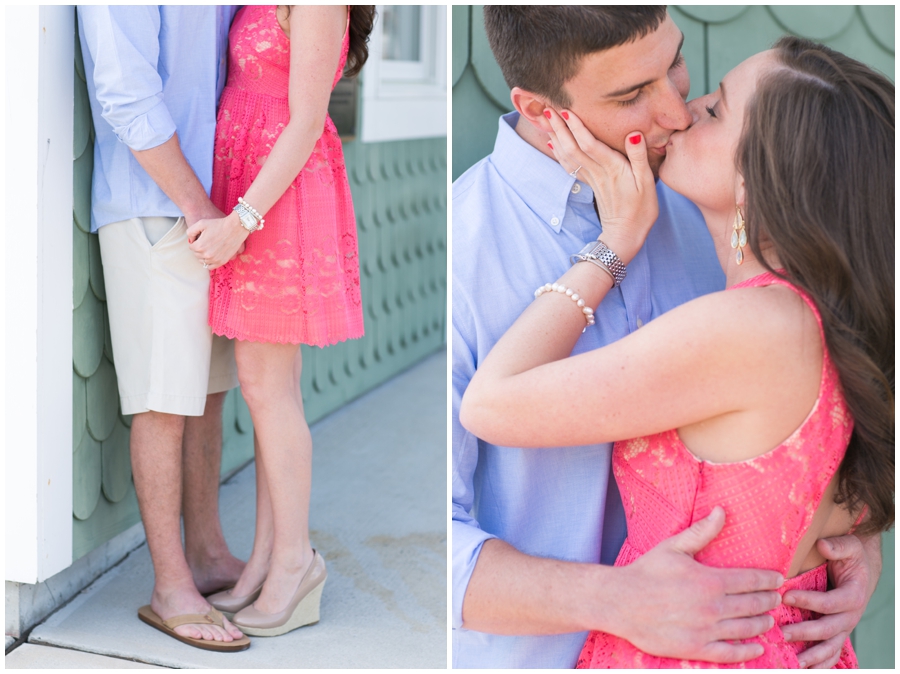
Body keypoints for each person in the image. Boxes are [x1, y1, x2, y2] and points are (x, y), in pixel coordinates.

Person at [452, 7, 883, 668]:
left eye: (675, 66)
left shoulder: (715, 212)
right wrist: (614, 599)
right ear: (541, 111)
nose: (678, 113)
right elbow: (434, 541)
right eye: (631, 95)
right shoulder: (461, 249)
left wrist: (835, 541)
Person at [185, 5, 375, 637]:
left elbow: (306, 121)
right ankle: (266, 559)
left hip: (276, 195)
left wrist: (242, 219)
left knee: (268, 388)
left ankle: (295, 562)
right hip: (252, 183)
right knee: (269, 386)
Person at [77, 6, 248, 651]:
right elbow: (126, 89)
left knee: (208, 390)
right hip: (156, 204)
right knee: (162, 400)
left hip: (218, 207)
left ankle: (205, 552)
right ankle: (169, 585)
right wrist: (194, 201)